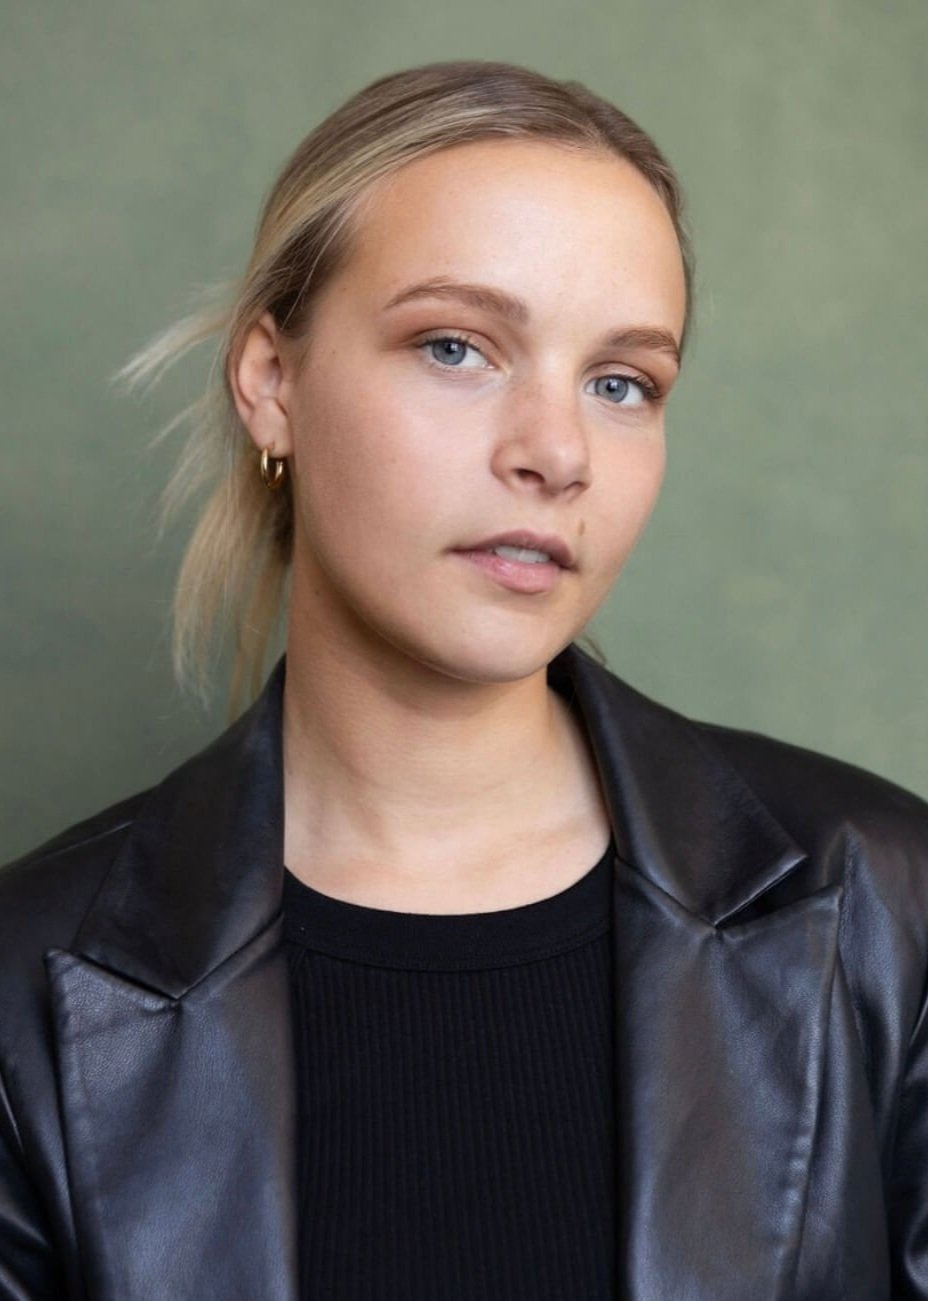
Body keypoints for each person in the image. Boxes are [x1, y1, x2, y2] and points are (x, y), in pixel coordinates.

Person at [0, 59, 926, 1301]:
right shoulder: (27, 986)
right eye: (455, 346)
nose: (554, 451)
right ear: (271, 380)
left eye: (621, 383)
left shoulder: (879, 900)